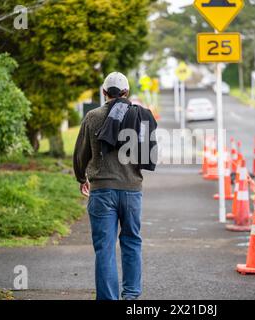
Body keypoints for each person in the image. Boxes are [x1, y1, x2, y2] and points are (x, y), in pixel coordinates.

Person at [73, 72, 156, 300]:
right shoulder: (139, 116)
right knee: (131, 242)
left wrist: (82, 178)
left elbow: (81, 154)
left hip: (102, 191)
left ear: (104, 92)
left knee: (105, 249)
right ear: (127, 93)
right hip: (132, 190)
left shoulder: (92, 117)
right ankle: (130, 297)